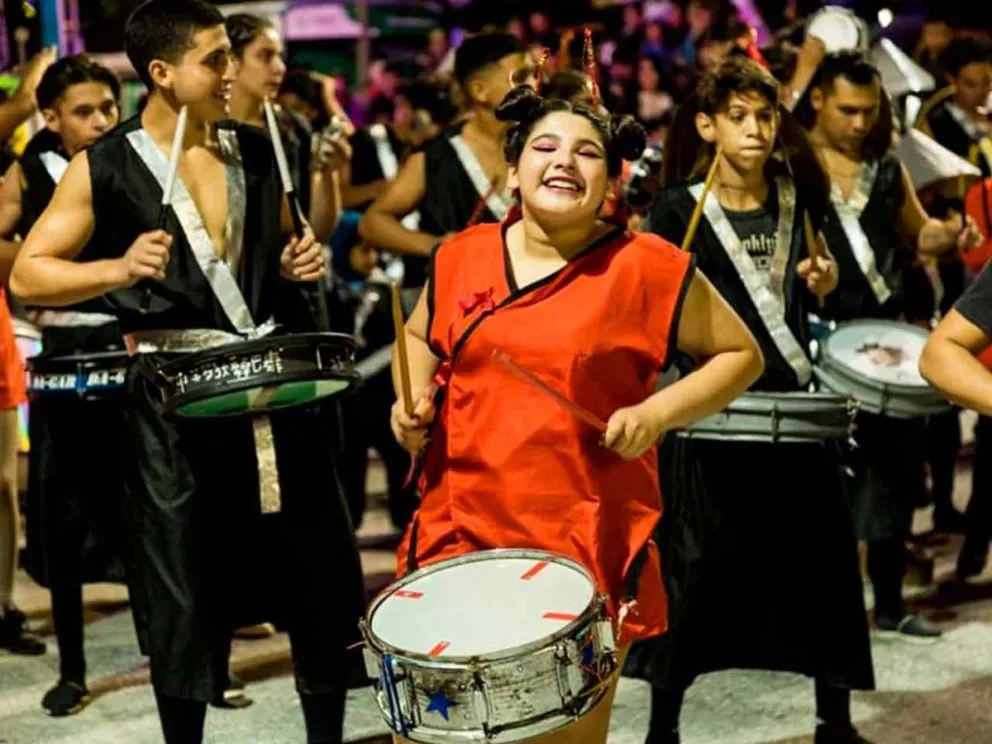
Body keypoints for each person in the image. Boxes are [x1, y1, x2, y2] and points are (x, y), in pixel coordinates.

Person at [8, 2, 365, 743]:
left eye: (231, 55)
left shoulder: (261, 145)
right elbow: (30, 278)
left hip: (275, 388)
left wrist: (304, 257)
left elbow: (287, 248)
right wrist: (116, 267)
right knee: (182, 589)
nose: (230, 71)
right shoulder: (103, 165)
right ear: (164, 74)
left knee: (315, 576)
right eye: (214, 59)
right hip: (173, 409)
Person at [389, 83, 765, 744]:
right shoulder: (460, 254)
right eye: (545, 146)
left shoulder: (647, 265)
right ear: (512, 170)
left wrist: (656, 413)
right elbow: (418, 335)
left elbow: (741, 355)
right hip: (458, 530)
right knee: (433, 737)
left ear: (611, 180)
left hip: (582, 539)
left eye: (588, 152)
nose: (565, 160)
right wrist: (410, 404)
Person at [634, 57, 874, 744]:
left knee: (826, 572)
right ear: (707, 125)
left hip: (794, 414)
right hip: (708, 414)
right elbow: (652, 309)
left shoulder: (798, 194)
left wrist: (823, 282)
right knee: (690, 574)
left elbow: (831, 288)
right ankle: (663, 730)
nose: (755, 130)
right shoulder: (678, 208)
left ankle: (836, 722)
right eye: (737, 117)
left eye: (766, 116)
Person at [800, 52, 984, 624]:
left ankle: (888, 606)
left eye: (869, 111)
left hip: (885, 338)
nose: (859, 123)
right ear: (818, 101)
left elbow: (919, 234)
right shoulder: (793, 165)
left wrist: (951, 234)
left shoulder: (884, 164)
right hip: (818, 343)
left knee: (898, 473)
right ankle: (826, 613)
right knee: (826, 486)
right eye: (847, 110)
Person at [0, 54, 126, 716]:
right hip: (65, 353)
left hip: (136, 349)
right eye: (84, 111)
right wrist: (53, 266)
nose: (102, 120)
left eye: (108, 106)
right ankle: (74, 669)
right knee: (68, 514)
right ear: (49, 118)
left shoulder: (137, 160)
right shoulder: (29, 171)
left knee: (158, 512)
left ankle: (202, 656)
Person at [359, 32, 533, 307]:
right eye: (522, 77)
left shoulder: (542, 146)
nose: (536, 85)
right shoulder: (437, 156)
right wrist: (437, 246)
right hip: (460, 312)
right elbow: (374, 223)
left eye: (536, 75)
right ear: (480, 91)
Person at [226, 12, 348, 244]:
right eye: (265, 56)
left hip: (294, 275)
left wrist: (329, 173)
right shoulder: (209, 132)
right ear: (232, 61)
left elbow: (318, 230)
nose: (279, 68)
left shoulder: (294, 128)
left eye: (280, 56)